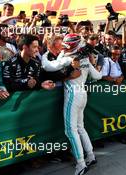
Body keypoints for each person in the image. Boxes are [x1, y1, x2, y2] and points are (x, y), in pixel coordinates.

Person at [42, 33, 102, 175]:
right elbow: (98, 76)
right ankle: (91, 156)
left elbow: (47, 66)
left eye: (65, 43)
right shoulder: (83, 58)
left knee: (70, 131)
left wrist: (45, 52)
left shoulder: (69, 59)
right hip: (82, 94)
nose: (63, 44)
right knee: (80, 127)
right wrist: (92, 64)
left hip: (72, 95)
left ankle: (80, 164)